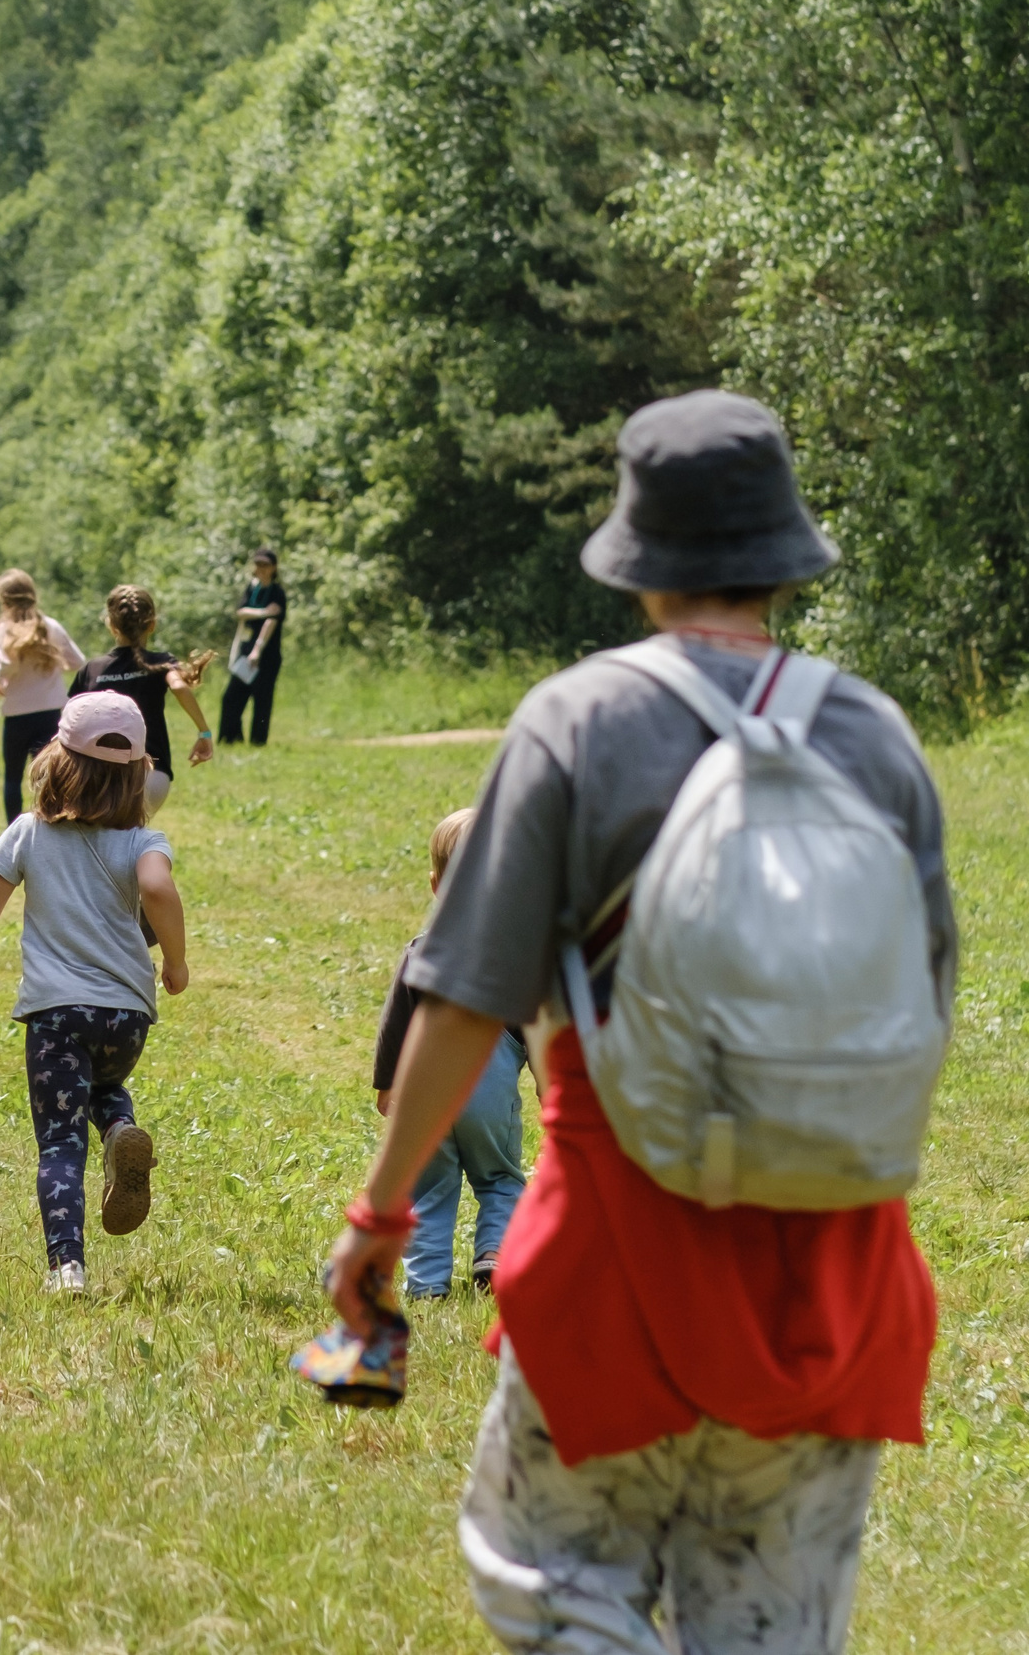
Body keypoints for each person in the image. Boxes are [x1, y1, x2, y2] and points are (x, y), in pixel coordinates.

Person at [324, 391, 957, 1653]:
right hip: (834, 1270)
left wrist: (381, 1215)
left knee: (546, 1578)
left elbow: (463, 997)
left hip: (621, 1251)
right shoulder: (875, 735)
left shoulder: (579, 722)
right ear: (782, 556)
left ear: (640, 563)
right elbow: (924, 1001)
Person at [0, 692, 189, 1295]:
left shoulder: (28, 833)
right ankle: (121, 1127)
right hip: (127, 1017)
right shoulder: (143, 842)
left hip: (56, 1015)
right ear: (138, 777)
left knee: (59, 1143)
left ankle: (67, 1267)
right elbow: (158, 888)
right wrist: (174, 964)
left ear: (58, 763)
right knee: (102, 1084)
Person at [371, 808, 525, 1298]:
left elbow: (396, 1022)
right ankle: (494, 1253)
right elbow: (534, 1023)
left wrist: (387, 1082)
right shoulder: (514, 956)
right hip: (490, 1092)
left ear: (436, 884)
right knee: (500, 1177)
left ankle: (427, 1284)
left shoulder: (423, 949)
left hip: (426, 1093)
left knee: (429, 1187)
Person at [68, 585, 215, 816]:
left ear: (111, 625)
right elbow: (178, 686)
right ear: (152, 625)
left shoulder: (92, 669)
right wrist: (204, 733)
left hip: (100, 778)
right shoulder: (161, 662)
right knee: (131, 840)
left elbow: (69, 722)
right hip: (151, 777)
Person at [0, 569, 85, 821]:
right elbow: (78, 661)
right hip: (50, 712)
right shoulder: (50, 626)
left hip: (18, 715)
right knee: (49, 776)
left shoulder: (5, 630)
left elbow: (8, 664)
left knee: (13, 776)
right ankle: (51, 825)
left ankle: (13, 831)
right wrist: (50, 664)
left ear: (5, 602)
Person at [217, 547, 286, 746]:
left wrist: (258, 650)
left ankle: (258, 742)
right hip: (245, 651)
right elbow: (241, 612)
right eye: (258, 564)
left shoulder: (277, 592)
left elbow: (272, 622)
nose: (261, 568)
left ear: (273, 567)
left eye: (265, 565)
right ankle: (230, 738)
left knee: (262, 699)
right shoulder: (252, 587)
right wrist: (264, 611)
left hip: (266, 655)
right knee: (231, 697)